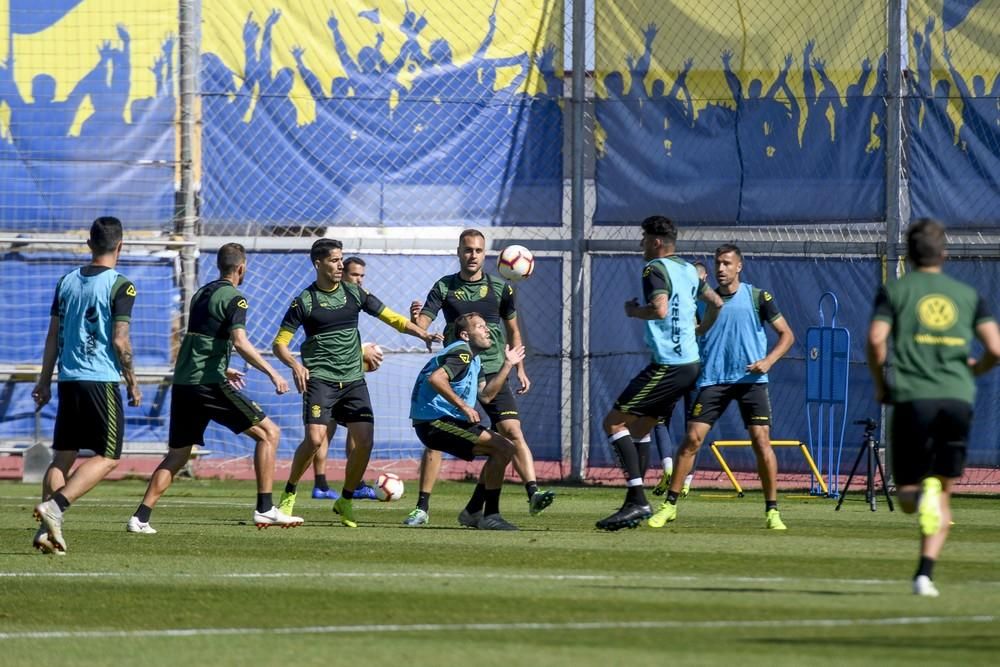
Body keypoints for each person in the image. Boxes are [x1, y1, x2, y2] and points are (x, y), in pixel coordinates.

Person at [867, 219, 999, 597]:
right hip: (957, 398)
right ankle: (924, 575)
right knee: (942, 492)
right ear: (944, 253)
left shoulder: (895, 291)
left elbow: (876, 341)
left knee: (909, 496)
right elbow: (996, 348)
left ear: (908, 254)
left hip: (912, 398)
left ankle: (918, 499)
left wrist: (881, 384)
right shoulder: (967, 294)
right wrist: (974, 370)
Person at [127, 243, 299, 533]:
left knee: (178, 454)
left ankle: (140, 517)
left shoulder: (201, 294)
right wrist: (273, 372)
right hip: (207, 385)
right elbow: (240, 342)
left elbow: (201, 339)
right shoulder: (236, 299)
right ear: (241, 268)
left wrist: (223, 366)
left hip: (185, 384)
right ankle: (265, 508)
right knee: (269, 433)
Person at [274, 239, 439, 528]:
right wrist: (295, 364)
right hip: (321, 380)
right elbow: (280, 344)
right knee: (314, 439)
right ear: (318, 263)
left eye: (341, 260)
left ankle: (346, 500)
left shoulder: (355, 293)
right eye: (334, 260)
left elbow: (392, 318)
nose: (340, 265)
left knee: (365, 441)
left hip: (353, 381)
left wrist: (421, 334)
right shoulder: (304, 302)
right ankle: (289, 492)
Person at [402, 229, 555, 527]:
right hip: (459, 372)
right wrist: (415, 319)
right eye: (468, 250)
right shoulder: (445, 287)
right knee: (439, 438)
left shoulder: (501, 289)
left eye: (478, 250)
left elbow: (513, 330)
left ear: (486, 255)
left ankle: (531, 492)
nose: (473, 255)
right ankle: (422, 507)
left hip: (495, 371)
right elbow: (422, 324)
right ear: (459, 252)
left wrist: (518, 366)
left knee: (511, 433)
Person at [648, 244, 795, 530]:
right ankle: (670, 505)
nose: (721, 269)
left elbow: (787, 335)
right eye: (718, 264)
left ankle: (772, 511)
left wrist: (768, 361)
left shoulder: (758, 297)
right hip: (713, 379)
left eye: (727, 263)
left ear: (739, 266)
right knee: (691, 440)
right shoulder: (701, 300)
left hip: (751, 380)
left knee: (761, 441)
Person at [596, 216, 723, 531]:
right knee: (639, 429)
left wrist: (633, 311)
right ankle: (632, 503)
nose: (641, 244)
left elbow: (660, 309)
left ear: (655, 241)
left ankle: (638, 499)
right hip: (690, 365)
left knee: (613, 422)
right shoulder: (688, 270)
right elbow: (717, 302)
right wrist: (698, 330)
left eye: (643, 238)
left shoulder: (654, 269)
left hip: (669, 364)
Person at [31, 216, 142, 554]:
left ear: (89, 244)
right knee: (108, 457)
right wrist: (133, 382)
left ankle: (46, 532)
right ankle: (56, 507)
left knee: (62, 457)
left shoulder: (66, 281)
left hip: (68, 379)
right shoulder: (121, 285)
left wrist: (44, 379)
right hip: (100, 380)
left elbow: (53, 336)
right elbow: (121, 341)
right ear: (120, 246)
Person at [410, 313, 523, 530]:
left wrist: (508, 365)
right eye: (480, 327)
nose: (487, 330)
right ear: (465, 335)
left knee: (503, 450)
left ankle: (473, 511)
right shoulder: (462, 352)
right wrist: (464, 407)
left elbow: (487, 395)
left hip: (440, 421)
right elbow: (437, 379)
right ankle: (490, 516)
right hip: (434, 423)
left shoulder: (474, 358)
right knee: (504, 447)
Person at [308, 256, 380, 501]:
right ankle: (321, 483)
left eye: (362, 276)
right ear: (341, 273)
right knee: (322, 432)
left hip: (351, 376)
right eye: (354, 275)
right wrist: (362, 353)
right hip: (328, 375)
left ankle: (355, 483)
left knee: (356, 428)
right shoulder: (330, 298)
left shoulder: (358, 298)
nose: (358, 279)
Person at [652, 260, 709, 497]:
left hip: (676, 369)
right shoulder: (710, 304)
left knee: (661, 420)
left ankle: (669, 468)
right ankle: (685, 481)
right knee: (692, 428)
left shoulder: (677, 301)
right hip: (697, 371)